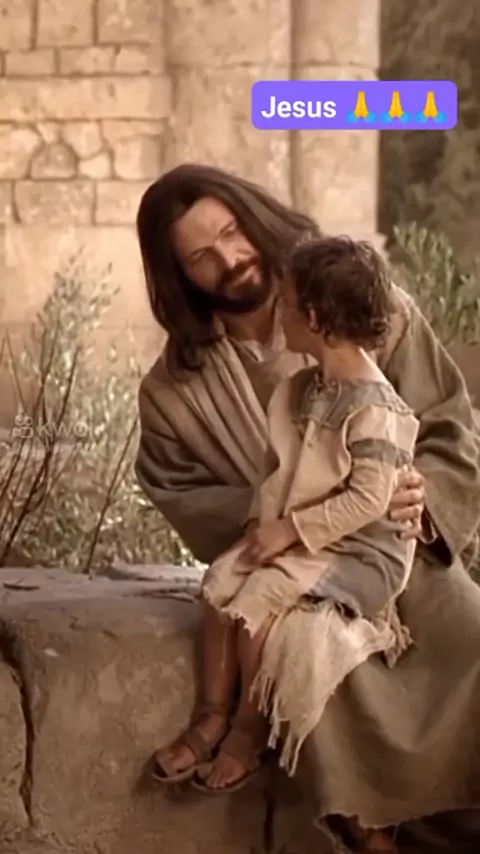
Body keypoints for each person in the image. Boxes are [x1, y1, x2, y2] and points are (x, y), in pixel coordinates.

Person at [134, 164, 480, 853]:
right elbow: (180, 489)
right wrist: (284, 520)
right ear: (177, 275)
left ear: (253, 217)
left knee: (470, 642)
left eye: (231, 231)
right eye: (201, 256)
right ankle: (368, 828)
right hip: (288, 569)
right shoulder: (174, 393)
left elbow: (447, 423)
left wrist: (422, 493)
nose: (230, 258)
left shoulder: (371, 310)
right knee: (307, 661)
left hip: (402, 552)